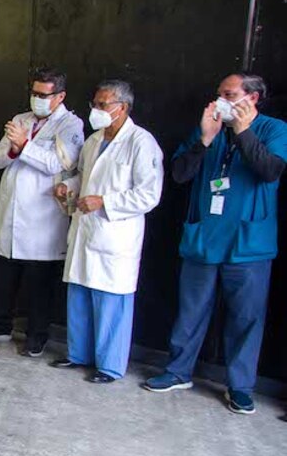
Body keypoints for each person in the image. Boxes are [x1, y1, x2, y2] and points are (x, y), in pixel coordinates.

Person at [143, 73, 287, 414]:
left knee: (246, 318)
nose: (219, 99)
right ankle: (178, 371)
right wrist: (204, 140)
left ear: (251, 98)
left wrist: (243, 132)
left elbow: (270, 170)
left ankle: (240, 387)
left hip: (248, 244)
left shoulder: (274, 129)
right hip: (204, 238)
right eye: (219, 93)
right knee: (191, 311)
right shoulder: (209, 125)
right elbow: (179, 173)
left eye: (229, 94)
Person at [48, 80, 163, 384]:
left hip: (115, 235)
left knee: (111, 303)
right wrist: (67, 187)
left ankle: (110, 366)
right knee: (80, 295)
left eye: (103, 105)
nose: (96, 111)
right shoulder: (94, 141)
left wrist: (105, 202)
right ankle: (78, 354)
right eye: (94, 104)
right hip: (86, 229)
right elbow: (83, 177)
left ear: (122, 107)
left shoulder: (141, 142)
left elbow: (149, 195)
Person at [0, 67, 85, 358]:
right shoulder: (21, 119)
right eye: (34, 93)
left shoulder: (70, 125)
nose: (37, 99)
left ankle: (36, 336)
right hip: (10, 214)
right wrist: (13, 149)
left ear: (60, 96)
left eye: (44, 95)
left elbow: (58, 163)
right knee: (2, 277)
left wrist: (24, 145)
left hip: (43, 218)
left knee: (38, 284)